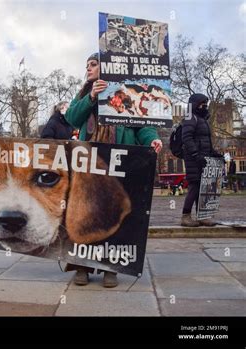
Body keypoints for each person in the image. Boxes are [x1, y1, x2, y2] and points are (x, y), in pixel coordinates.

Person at [64, 52, 163, 288]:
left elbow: (142, 126)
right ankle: (83, 266)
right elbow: (71, 118)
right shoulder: (84, 95)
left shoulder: (127, 94)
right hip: (90, 162)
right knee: (86, 210)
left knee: (114, 212)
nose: (88, 69)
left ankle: (112, 267)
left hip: (119, 162)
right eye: (86, 65)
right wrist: (91, 97)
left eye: (93, 64)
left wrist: (153, 139)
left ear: (105, 67)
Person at [181, 93, 223, 227]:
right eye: (201, 103)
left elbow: (205, 141)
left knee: (202, 187)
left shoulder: (202, 119)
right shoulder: (190, 117)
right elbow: (187, 138)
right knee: (194, 186)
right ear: (194, 104)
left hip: (204, 158)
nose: (204, 106)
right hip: (194, 159)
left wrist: (214, 153)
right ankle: (185, 216)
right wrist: (195, 154)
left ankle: (202, 216)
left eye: (205, 104)